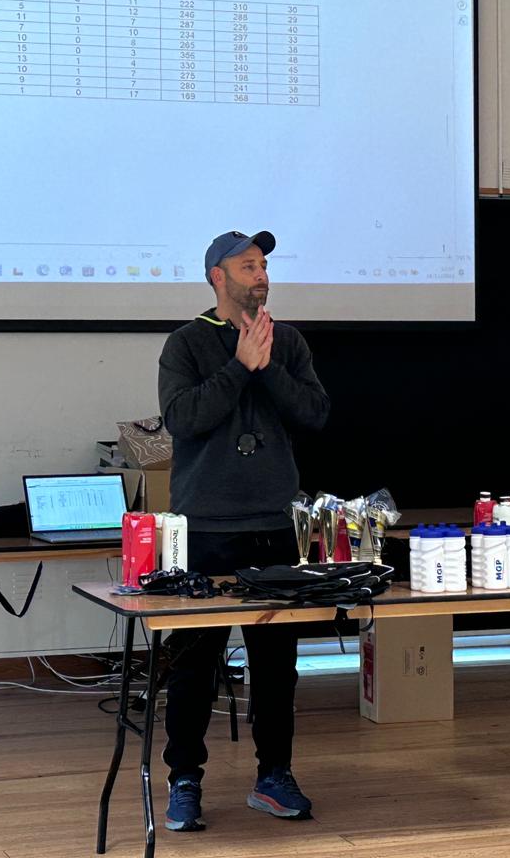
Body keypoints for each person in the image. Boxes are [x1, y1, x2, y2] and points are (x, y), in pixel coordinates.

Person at [155, 228, 331, 832]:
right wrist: (238, 366)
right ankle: (184, 780)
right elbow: (183, 419)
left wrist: (265, 366)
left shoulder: (289, 342)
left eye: (263, 266)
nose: (261, 275)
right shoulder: (185, 344)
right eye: (248, 266)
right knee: (193, 665)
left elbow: (314, 414)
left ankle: (274, 776)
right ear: (218, 277)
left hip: (274, 525)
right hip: (205, 528)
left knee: (277, 665)